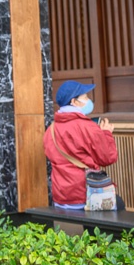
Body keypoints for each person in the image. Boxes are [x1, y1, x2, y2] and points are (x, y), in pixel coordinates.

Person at [43, 81, 122, 210]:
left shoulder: (50, 129)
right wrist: (106, 134)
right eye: (85, 97)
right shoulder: (87, 126)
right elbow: (108, 158)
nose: (88, 100)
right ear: (74, 102)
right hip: (85, 194)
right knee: (120, 205)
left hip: (60, 196)